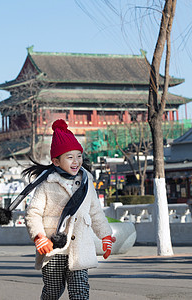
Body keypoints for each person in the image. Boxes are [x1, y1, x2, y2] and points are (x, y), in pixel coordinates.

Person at [24, 119, 115, 300]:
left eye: (79, 156)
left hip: (80, 247)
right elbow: (33, 213)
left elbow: (95, 211)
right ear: (56, 161)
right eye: (70, 157)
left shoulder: (87, 180)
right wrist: (39, 236)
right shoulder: (47, 182)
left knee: (80, 291)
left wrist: (105, 235)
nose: (76, 161)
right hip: (54, 247)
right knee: (52, 291)